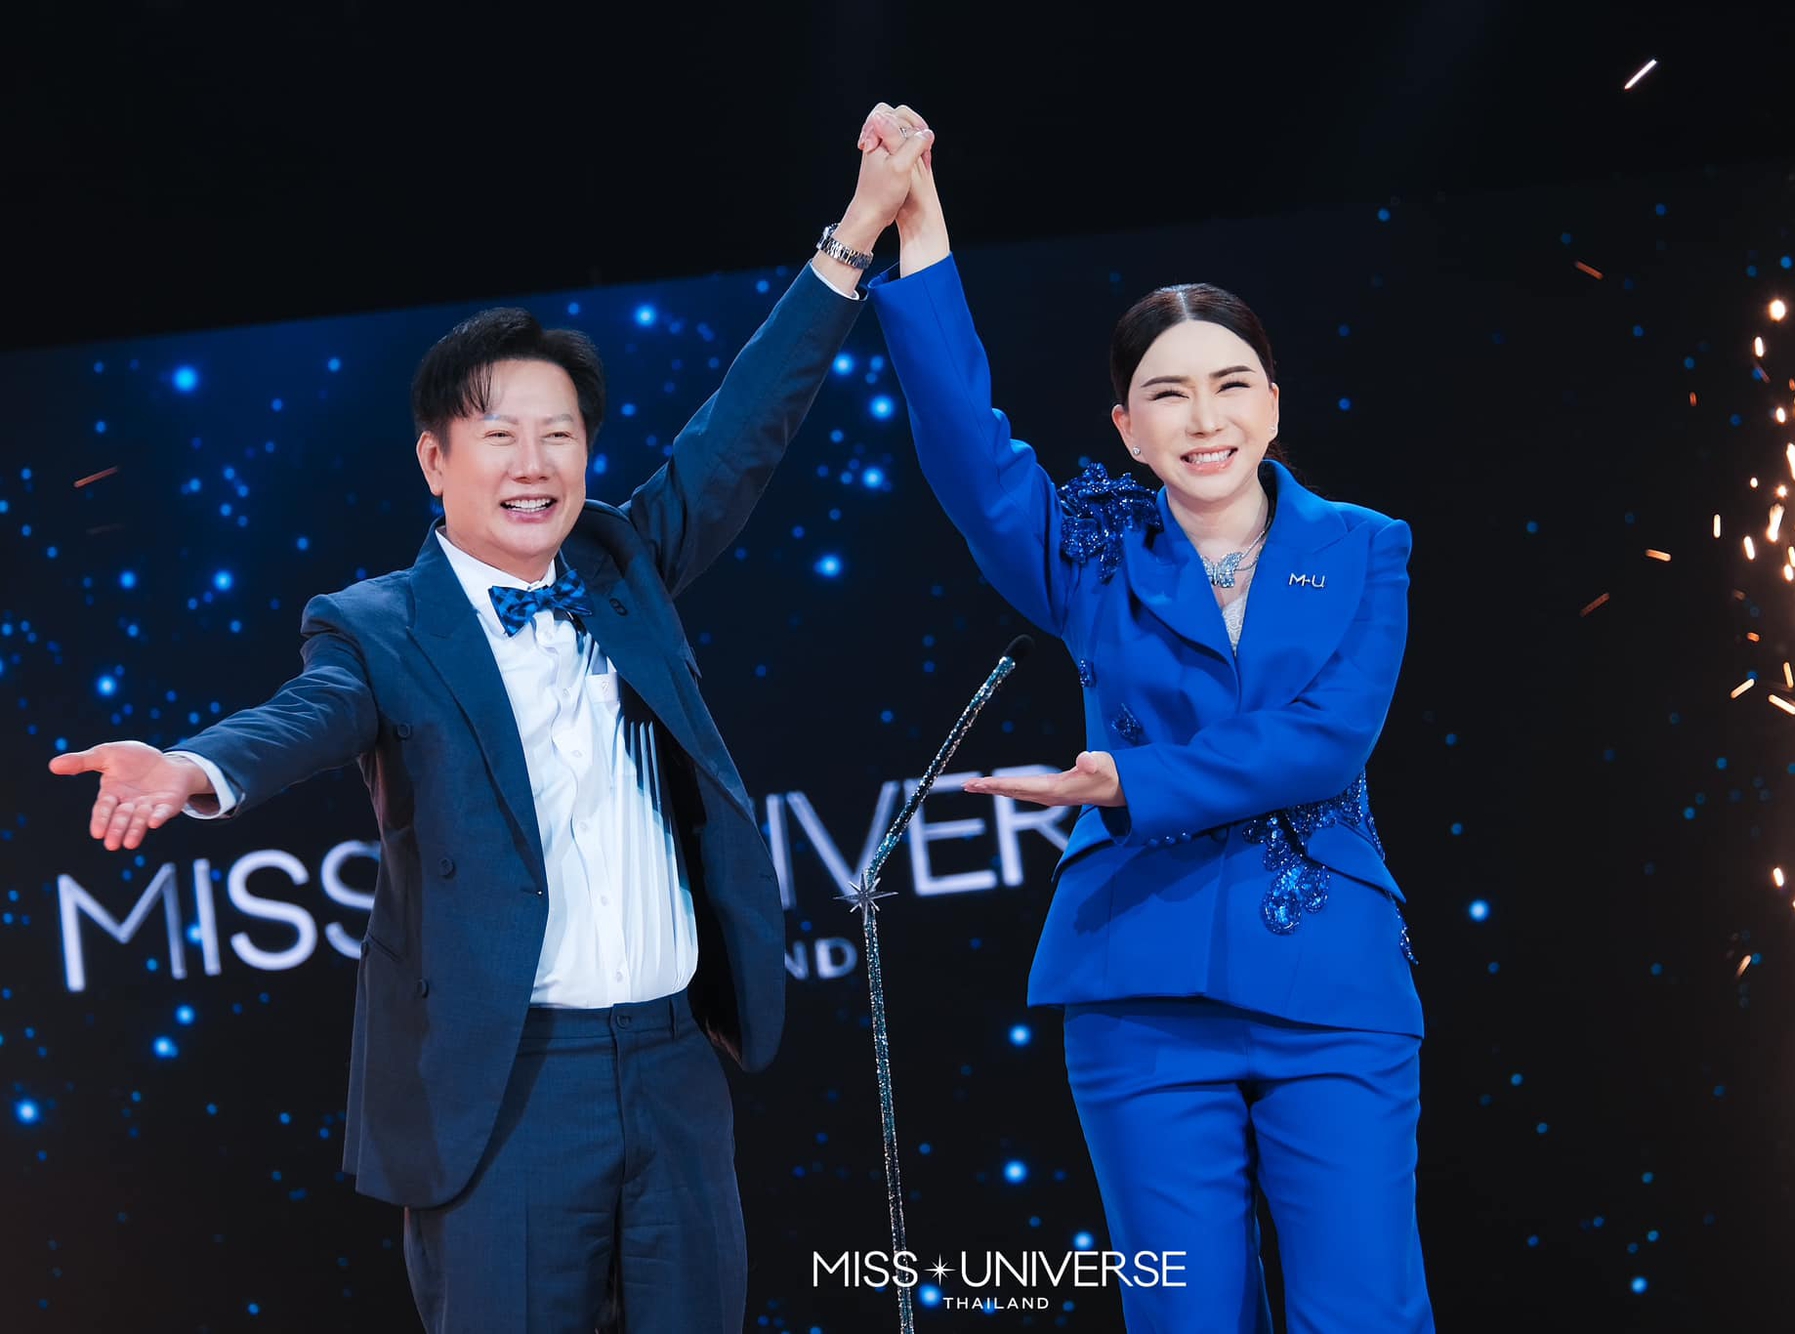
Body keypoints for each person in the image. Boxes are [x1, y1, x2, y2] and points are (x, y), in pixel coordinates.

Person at [48, 104, 936, 1334]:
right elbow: (306, 715)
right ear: (434, 461)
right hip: (507, 1091)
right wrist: (194, 764)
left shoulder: (623, 562)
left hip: (674, 1071)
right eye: (500, 435)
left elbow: (742, 428)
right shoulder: (378, 625)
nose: (534, 462)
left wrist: (856, 232)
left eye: (559, 434)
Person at [861, 108, 1434, 1332]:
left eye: (1228, 384)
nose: (1202, 417)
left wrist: (1127, 781)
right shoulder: (1089, 548)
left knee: (1363, 1311)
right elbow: (969, 455)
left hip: (1331, 980)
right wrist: (923, 238)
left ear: (1271, 403)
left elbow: (1326, 739)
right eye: (1165, 394)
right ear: (1125, 427)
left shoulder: (1364, 547)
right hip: (1139, 984)